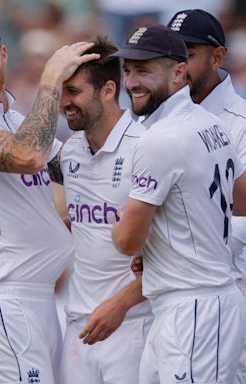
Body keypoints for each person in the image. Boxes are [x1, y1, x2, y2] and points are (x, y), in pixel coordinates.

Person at [0, 18, 99, 384]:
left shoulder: (15, 119)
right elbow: (27, 155)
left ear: (3, 53)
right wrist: (51, 78)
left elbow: (84, 174)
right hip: (3, 300)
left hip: (42, 300)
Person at [110, 24, 246, 384]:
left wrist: (120, 221)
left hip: (193, 309)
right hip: (201, 303)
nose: (131, 82)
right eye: (128, 70)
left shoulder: (158, 140)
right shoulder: (212, 124)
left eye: (144, 70)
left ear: (179, 71)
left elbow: (127, 241)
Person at [167, 9, 246, 382]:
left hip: (214, 295)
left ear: (217, 57)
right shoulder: (154, 117)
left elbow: (244, 222)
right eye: (172, 55)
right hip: (160, 297)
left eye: (188, 54)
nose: (177, 66)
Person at [55, 36, 152, 384]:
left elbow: (180, 249)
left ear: (108, 89)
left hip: (133, 324)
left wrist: (123, 303)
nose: (64, 103)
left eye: (74, 91)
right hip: (78, 325)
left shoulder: (147, 147)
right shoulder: (70, 152)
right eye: (61, 92)